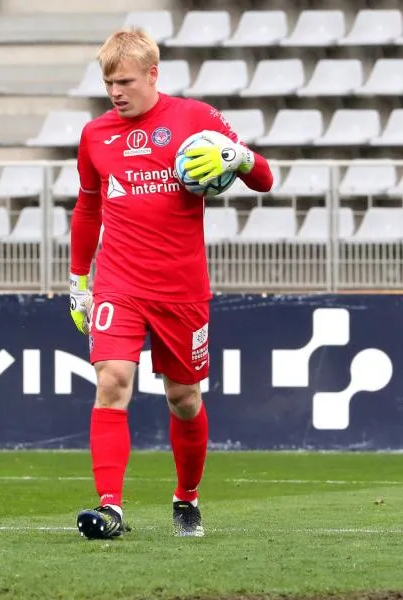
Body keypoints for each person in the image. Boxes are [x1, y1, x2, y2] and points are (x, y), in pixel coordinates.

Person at [67, 27, 274, 539]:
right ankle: (110, 508)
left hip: (181, 288)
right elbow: (88, 205)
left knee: (184, 398)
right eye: (108, 82)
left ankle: (187, 498)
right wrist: (78, 279)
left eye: (124, 81)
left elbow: (264, 178)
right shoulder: (96, 135)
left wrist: (240, 158)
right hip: (118, 281)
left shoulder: (196, 120)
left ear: (152, 74)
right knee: (112, 382)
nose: (115, 92)